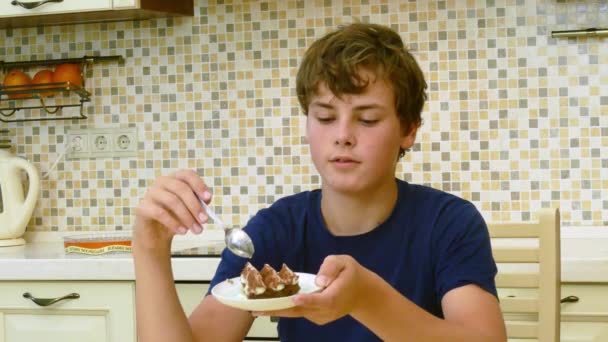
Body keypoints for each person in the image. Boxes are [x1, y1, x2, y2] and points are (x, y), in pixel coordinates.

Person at [133, 22, 507, 341]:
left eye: (368, 119)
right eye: (326, 117)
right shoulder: (275, 229)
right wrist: (149, 251)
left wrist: (367, 299)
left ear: (408, 130)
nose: (343, 135)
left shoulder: (448, 223)